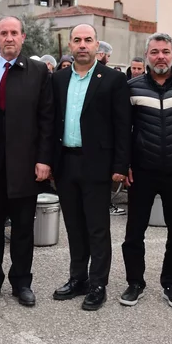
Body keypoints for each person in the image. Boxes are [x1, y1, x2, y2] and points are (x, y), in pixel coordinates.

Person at [0, 16, 54, 307]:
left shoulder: (38, 72)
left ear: (23, 37)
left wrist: (44, 159)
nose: (9, 38)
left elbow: (47, 119)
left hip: (25, 165)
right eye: (3, 33)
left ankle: (22, 283)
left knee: (23, 230)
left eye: (14, 33)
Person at [120, 33, 172, 310]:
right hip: (141, 172)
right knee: (134, 233)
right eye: (155, 52)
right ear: (147, 55)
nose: (160, 57)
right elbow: (123, 132)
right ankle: (135, 283)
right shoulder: (132, 88)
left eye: (165, 51)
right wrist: (125, 165)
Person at [51, 24, 131, 311]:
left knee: (97, 228)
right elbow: (51, 121)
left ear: (97, 45)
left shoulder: (113, 79)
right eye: (77, 40)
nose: (82, 45)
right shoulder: (58, 79)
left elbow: (123, 125)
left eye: (88, 40)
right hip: (66, 162)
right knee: (73, 226)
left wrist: (120, 164)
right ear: (70, 46)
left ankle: (98, 283)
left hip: (97, 164)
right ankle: (78, 278)